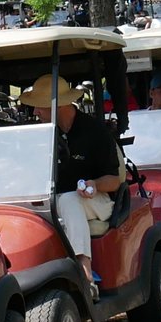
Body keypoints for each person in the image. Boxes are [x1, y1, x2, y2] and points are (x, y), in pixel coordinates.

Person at [25, 75, 122, 287]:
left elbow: (114, 180)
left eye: (38, 106)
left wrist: (94, 184)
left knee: (70, 200)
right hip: (56, 200)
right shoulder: (44, 134)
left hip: (97, 199)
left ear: (56, 105)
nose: (34, 112)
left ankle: (84, 270)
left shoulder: (95, 131)